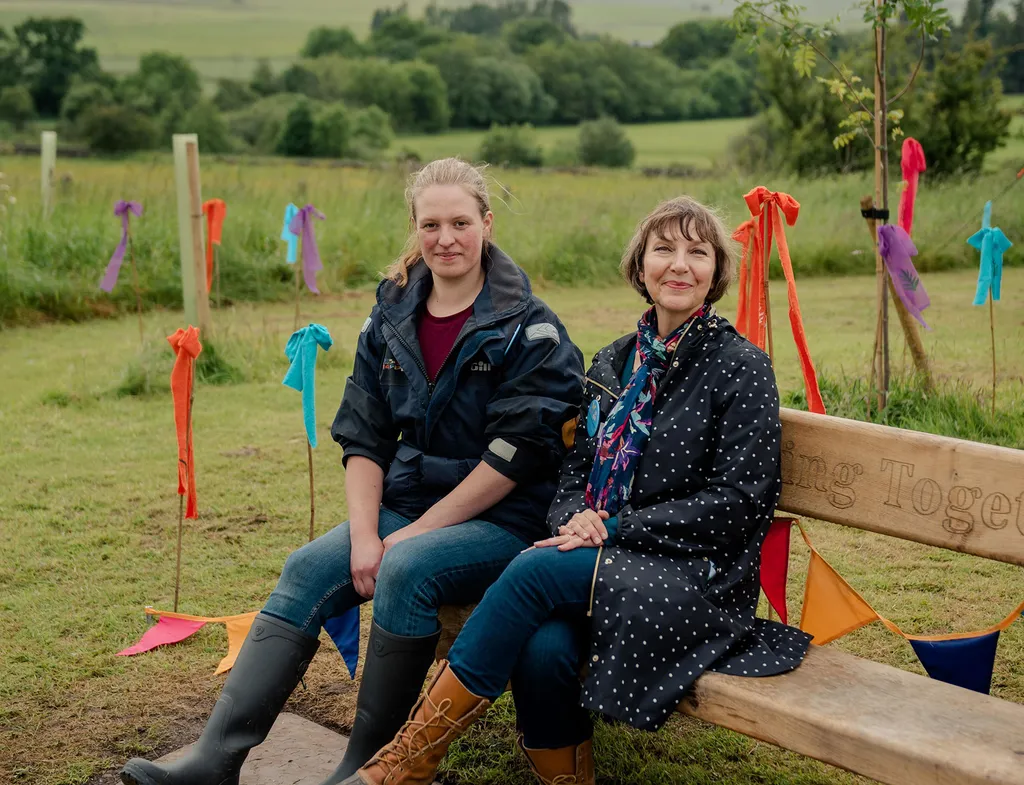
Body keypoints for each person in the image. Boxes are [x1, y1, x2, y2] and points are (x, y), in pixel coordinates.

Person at [119, 158, 585, 785]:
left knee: (407, 567)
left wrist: (405, 540)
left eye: (460, 222)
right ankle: (213, 761)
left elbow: (511, 461)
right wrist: (365, 534)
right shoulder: (389, 316)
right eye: (431, 224)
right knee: (308, 566)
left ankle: (362, 770)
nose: (446, 238)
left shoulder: (531, 330)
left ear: (487, 224)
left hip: (502, 519)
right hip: (407, 504)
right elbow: (364, 436)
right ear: (414, 227)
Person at [341, 196, 812, 785]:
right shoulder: (615, 361)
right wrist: (575, 521)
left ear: (717, 272)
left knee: (535, 573)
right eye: (664, 249)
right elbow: (573, 468)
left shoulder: (740, 366)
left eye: (698, 252)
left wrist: (609, 528)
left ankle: (406, 762)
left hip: (695, 575)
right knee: (544, 646)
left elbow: (739, 504)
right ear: (641, 266)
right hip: (603, 558)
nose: (680, 265)